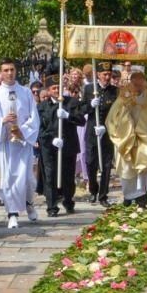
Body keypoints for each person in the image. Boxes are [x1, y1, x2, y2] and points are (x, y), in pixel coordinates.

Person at [106, 69, 147, 207]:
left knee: (143, 166)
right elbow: (114, 115)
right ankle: (128, 195)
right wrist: (125, 110)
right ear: (131, 82)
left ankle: (142, 195)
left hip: (144, 137)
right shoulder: (124, 95)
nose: (138, 87)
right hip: (126, 136)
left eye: (140, 83)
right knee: (127, 167)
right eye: (135, 83)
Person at [0, 60, 40, 229]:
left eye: (12, 69)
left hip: (23, 142)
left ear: (16, 71)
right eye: (6, 70)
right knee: (8, 179)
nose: (9, 73)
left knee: (27, 178)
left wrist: (22, 131)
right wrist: (2, 121)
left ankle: (29, 202)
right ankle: (12, 213)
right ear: (1, 72)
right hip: (5, 143)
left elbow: (34, 117)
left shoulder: (25, 92)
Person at [39, 71, 85, 216]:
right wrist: (51, 138)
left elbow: (81, 121)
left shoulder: (71, 102)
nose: (57, 90)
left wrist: (68, 115)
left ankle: (68, 202)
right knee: (50, 176)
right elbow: (39, 130)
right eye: (53, 88)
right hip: (49, 147)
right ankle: (52, 207)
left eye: (59, 87)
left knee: (68, 177)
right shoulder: (42, 107)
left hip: (68, 145)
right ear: (48, 90)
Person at [82, 65, 118, 204]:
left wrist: (106, 128)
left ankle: (103, 195)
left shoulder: (115, 91)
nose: (107, 77)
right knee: (91, 163)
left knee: (107, 165)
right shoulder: (90, 89)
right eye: (104, 74)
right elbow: (82, 109)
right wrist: (91, 105)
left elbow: (117, 114)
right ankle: (93, 190)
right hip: (92, 131)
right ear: (98, 75)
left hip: (107, 132)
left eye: (109, 74)